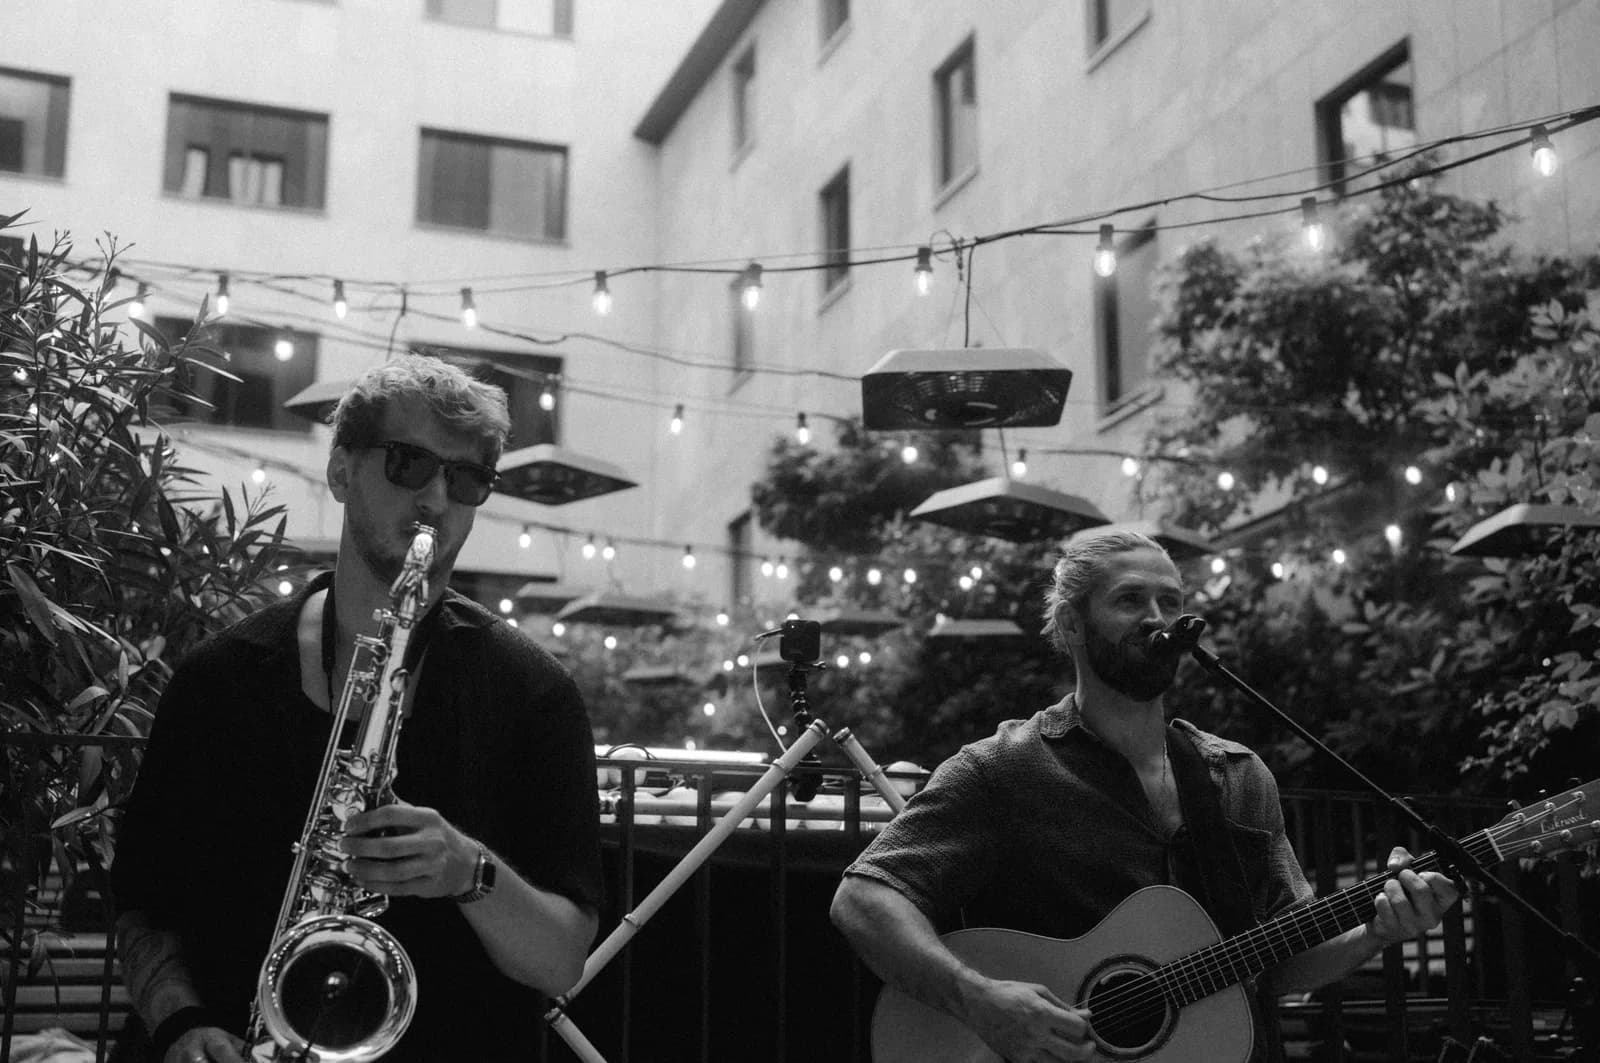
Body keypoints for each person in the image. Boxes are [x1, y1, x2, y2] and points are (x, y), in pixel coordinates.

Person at [112, 355, 604, 1063]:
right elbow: (144, 906)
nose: (437, 497)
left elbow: (560, 961)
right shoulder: (219, 679)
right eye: (409, 463)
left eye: (467, 479)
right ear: (340, 471)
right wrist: (181, 1026)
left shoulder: (534, 693)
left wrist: (469, 871)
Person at [830, 530, 1459, 1063]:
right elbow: (863, 900)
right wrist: (980, 999)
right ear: (1072, 623)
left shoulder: (1239, 777)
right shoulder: (1004, 768)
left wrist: (1374, 932)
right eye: (1130, 599)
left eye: (1170, 601)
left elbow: (1280, 959)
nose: (1158, 618)